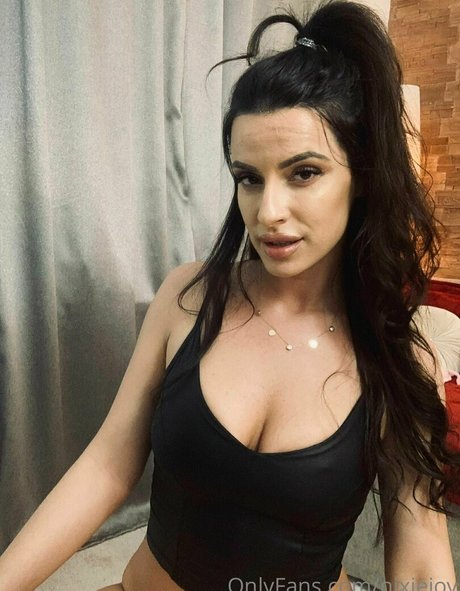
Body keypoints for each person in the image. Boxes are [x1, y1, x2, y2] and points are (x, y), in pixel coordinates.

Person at [1, 1, 459, 590]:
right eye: (249, 177)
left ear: (362, 176)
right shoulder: (188, 298)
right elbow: (107, 465)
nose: (268, 212)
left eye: (304, 173)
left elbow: (421, 554)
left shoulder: (402, 359)